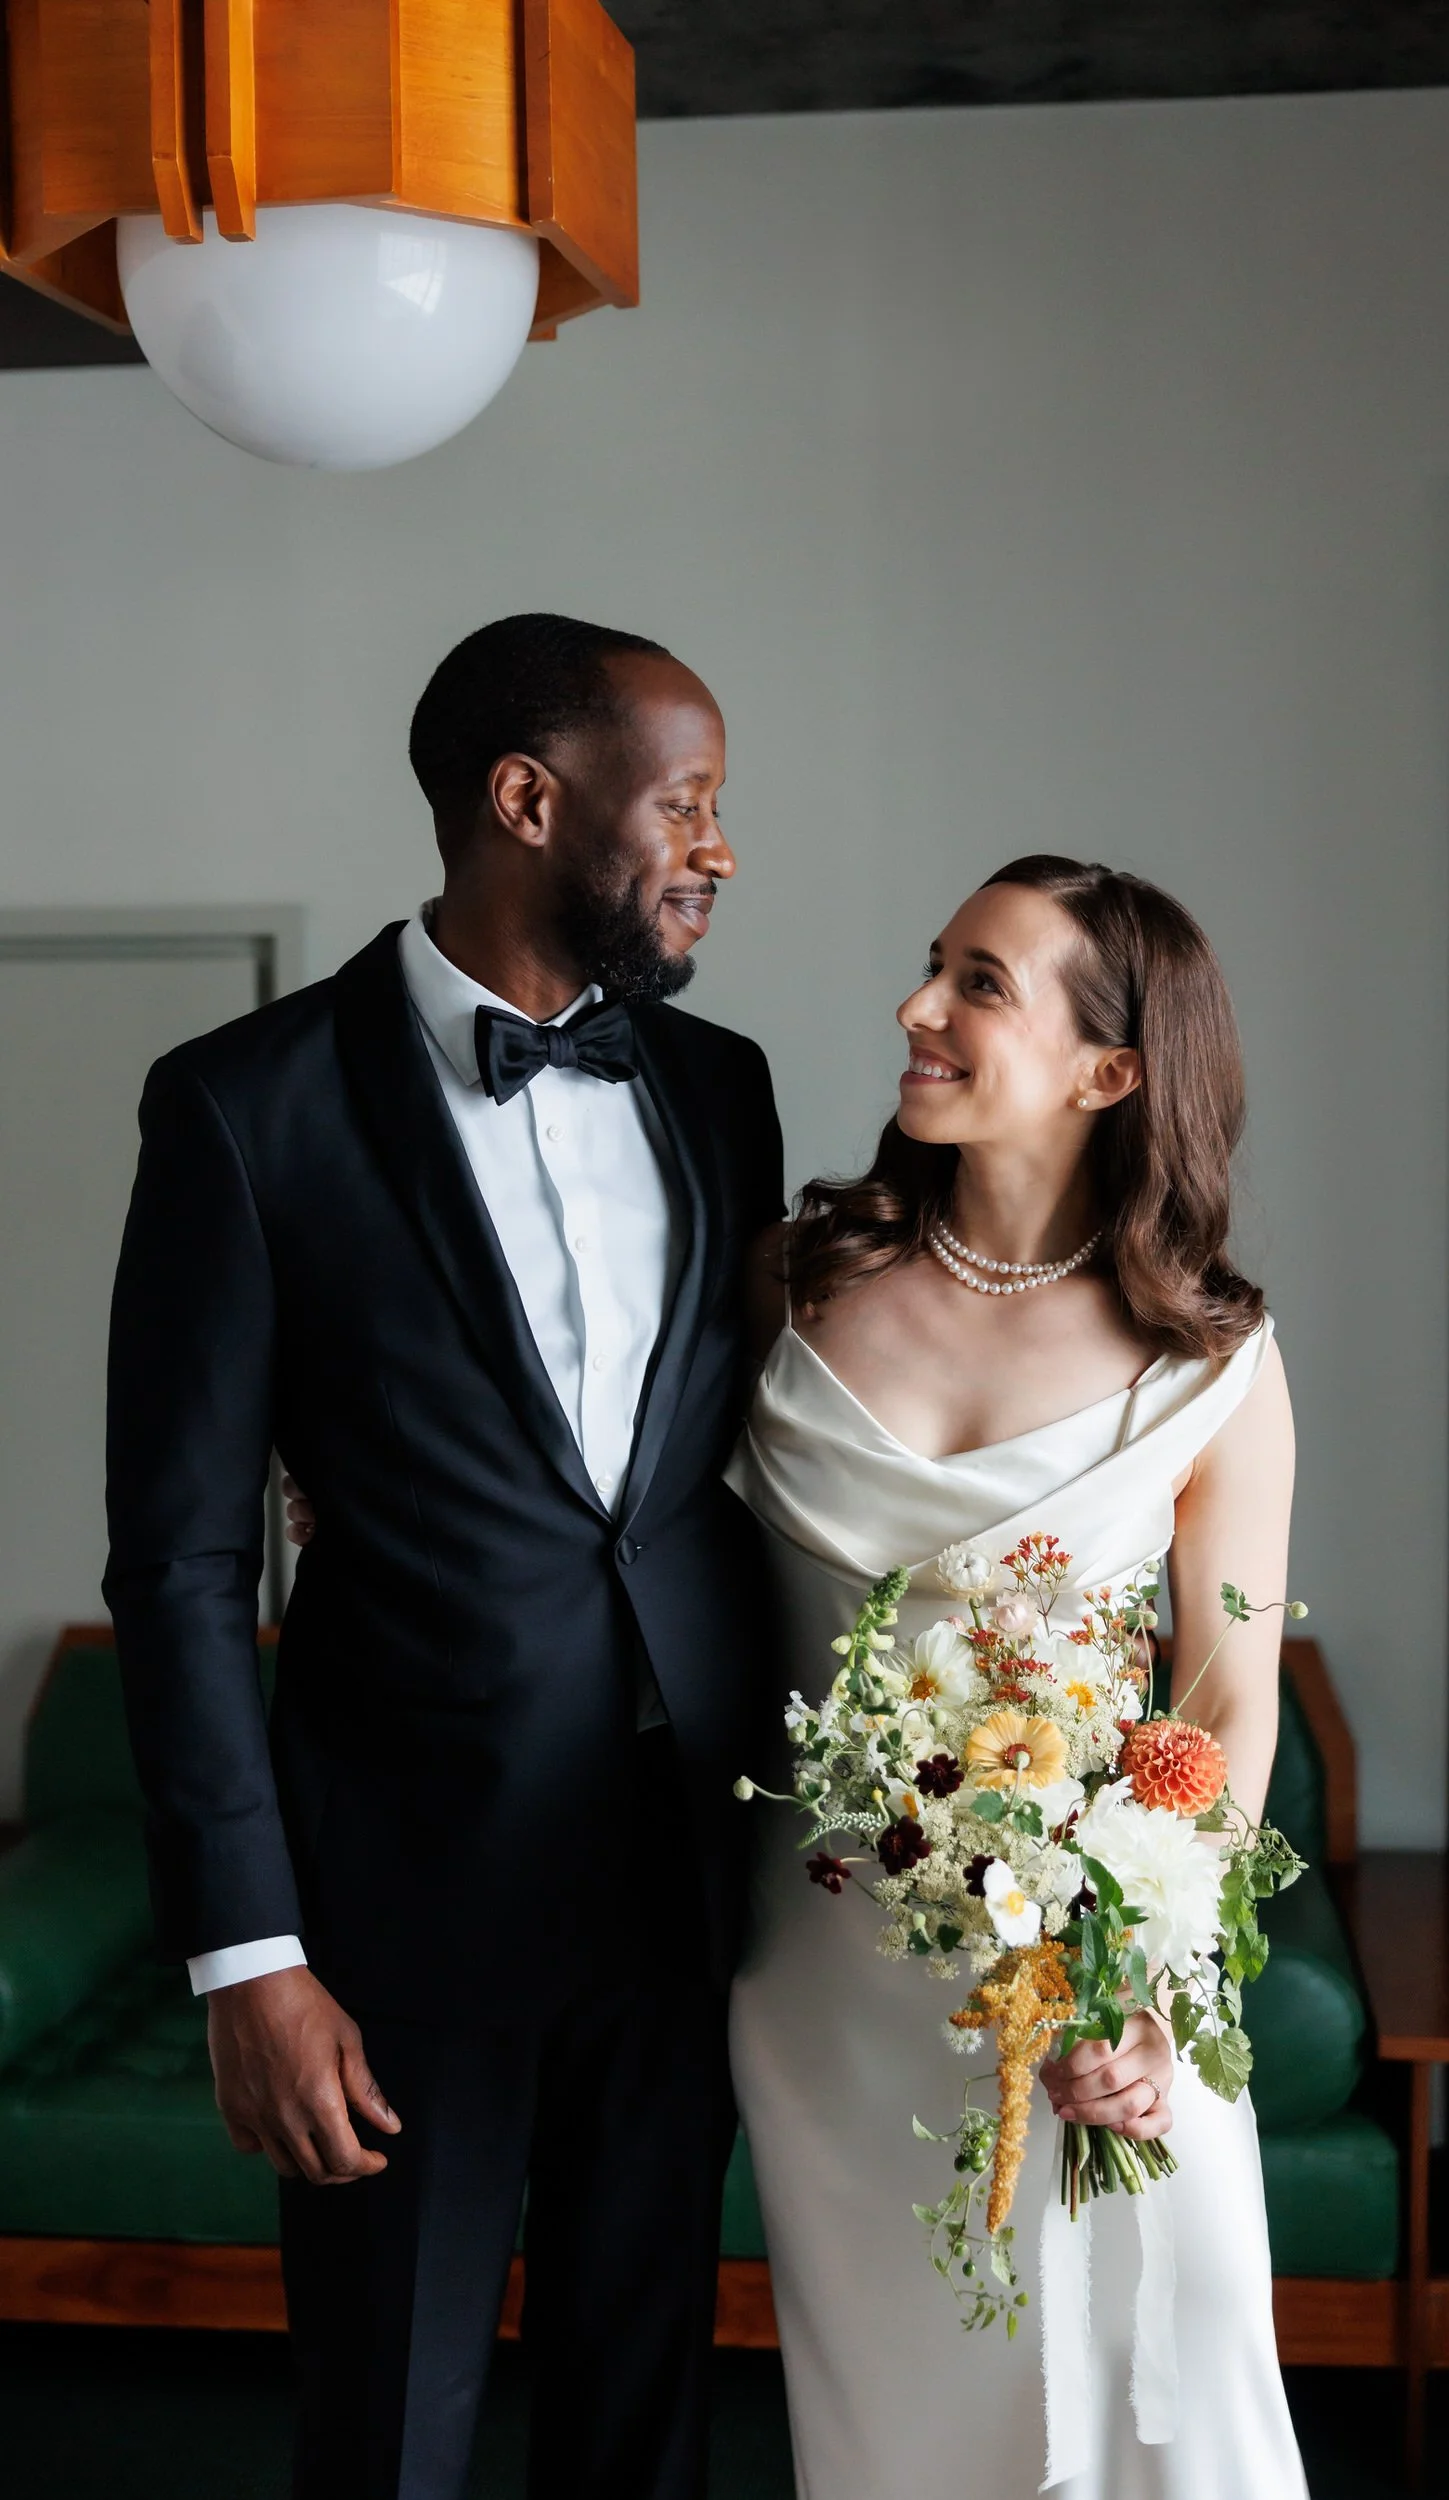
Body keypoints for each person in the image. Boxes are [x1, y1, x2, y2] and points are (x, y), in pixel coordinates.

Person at [103, 613, 783, 2500]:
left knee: (644, 2418)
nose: (721, 847)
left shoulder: (722, 1088)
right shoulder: (241, 1108)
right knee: (390, 2432)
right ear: (525, 800)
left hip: (684, 1879)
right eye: (691, 804)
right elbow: (174, 1561)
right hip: (394, 1906)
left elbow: (718, 1473)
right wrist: (251, 1957)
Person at [724, 857, 1309, 2497]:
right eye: (932, 968)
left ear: (1107, 1070)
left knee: (1152, 2404)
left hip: (1089, 1974)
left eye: (977, 982)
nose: (916, 1008)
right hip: (822, 1969)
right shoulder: (790, 1280)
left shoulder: (1212, 1359)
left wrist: (1151, 1982)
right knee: (893, 2425)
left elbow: (1224, 1700)